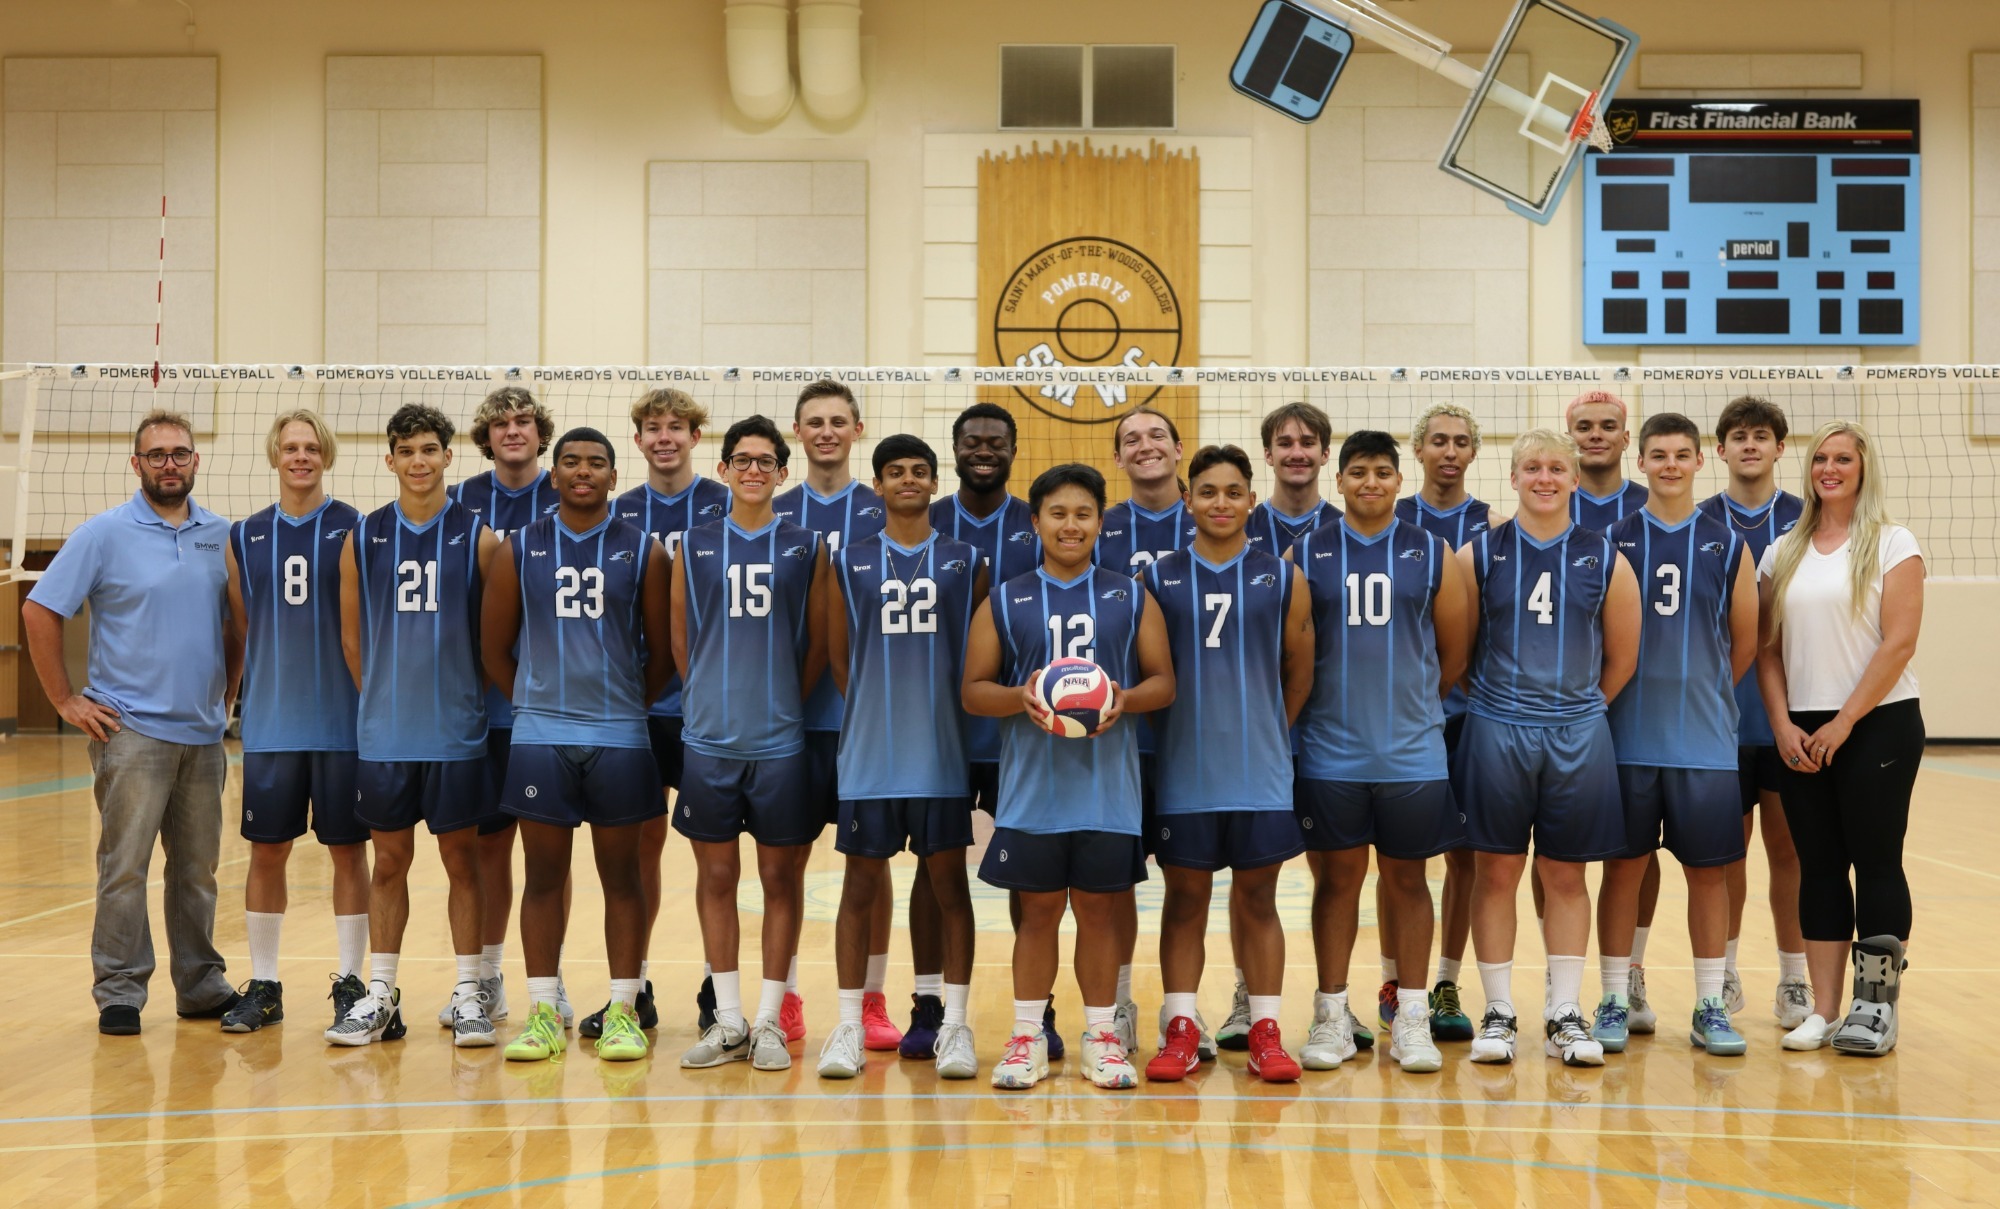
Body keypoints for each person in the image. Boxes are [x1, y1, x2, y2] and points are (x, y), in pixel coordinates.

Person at [24, 409, 240, 1035]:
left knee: (197, 870)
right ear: (136, 464)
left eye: (179, 453)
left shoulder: (219, 535)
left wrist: (227, 692)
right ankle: (119, 990)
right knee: (125, 867)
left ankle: (200, 985)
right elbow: (40, 612)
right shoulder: (103, 534)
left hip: (202, 737)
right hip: (131, 734)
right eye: (156, 455)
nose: (168, 464)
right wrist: (66, 702)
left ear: (196, 461)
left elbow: (235, 627)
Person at [964, 463, 1174, 1091]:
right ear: (1036, 523)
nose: (1071, 524)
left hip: (1108, 793)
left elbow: (1163, 682)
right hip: (1032, 791)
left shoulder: (1130, 594)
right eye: (1057, 513)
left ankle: (1103, 1038)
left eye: (1083, 514)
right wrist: (1021, 697)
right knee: (1037, 915)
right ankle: (1027, 1036)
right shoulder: (1005, 597)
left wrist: (1123, 701)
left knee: (1100, 914)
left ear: (1101, 523)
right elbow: (973, 691)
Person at [483, 428, 673, 1064]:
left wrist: (623, 707)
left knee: (622, 877)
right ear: (554, 474)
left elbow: (663, 653)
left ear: (615, 477)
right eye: (571, 462)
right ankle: (542, 1011)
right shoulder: (518, 548)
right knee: (543, 876)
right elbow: (493, 648)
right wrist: (538, 701)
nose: (583, 471)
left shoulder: (644, 552)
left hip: (620, 737)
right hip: (541, 737)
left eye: (596, 463)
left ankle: (623, 1011)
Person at [1454, 428, 1639, 1067]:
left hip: (1577, 732)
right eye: (1532, 467)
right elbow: (1458, 652)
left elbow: (1623, 656)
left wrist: (1577, 709)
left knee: (1565, 873)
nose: (1544, 478)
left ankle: (1565, 1010)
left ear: (1573, 477)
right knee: (1496, 871)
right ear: (1512, 478)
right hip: (1496, 727)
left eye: (1557, 467)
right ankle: (1499, 1012)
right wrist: (1503, 706)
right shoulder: (1477, 555)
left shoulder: (1605, 555)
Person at [1292, 431, 1469, 1074]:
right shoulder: (1307, 551)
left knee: (1408, 880)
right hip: (1330, 753)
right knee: (1336, 882)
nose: (1371, 482)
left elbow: (1454, 651)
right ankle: (1332, 1016)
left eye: (1383, 472)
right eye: (1359, 472)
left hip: (1412, 753)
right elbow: (1293, 652)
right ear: (1338, 482)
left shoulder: (1432, 550)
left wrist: (1417, 705)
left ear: (1400, 481)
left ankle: (1413, 1016)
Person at [330, 404, 501, 1048]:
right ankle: (379, 995)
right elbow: (352, 640)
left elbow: (495, 638)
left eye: (431, 449)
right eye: (407, 451)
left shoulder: (480, 536)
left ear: (449, 456)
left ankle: (468, 993)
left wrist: (458, 695)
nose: (420, 461)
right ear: (391, 460)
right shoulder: (364, 535)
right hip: (386, 736)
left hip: (455, 733)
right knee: (389, 863)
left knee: (463, 862)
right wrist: (384, 702)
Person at [817, 435, 986, 1080]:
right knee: (860, 885)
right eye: (895, 472)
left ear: (934, 483)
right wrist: (874, 712)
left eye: (919, 471)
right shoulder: (850, 559)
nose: (908, 480)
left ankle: (954, 1024)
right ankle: (848, 1026)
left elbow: (976, 655)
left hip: (942, 754)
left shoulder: (965, 559)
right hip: (870, 754)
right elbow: (839, 658)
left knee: (947, 885)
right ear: (878, 485)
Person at [1142, 444, 1311, 1084]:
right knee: (1185, 898)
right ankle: (1181, 1025)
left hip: (1260, 770)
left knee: (1259, 898)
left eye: (1233, 491)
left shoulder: (1283, 576)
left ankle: (1265, 1028)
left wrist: (1266, 732)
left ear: (1250, 500)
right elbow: (1148, 673)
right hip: (1185, 769)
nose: (1220, 503)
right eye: (1207, 491)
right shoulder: (1157, 578)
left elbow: (1300, 673)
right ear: (1188, 501)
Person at [1757, 421, 1924, 1056]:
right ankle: (1824, 1011)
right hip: (1802, 727)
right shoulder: (1784, 549)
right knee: (1819, 869)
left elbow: (1899, 642)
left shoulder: (1892, 543)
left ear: (1863, 468)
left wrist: (1846, 720)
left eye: (1843, 459)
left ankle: (1874, 1009)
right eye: (1821, 458)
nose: (1830, 468)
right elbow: (1767, 650)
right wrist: (1781, 724)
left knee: (1877, 862)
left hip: (1878, 720)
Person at [1595, 413, 1759, 1058]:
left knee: (1710, 875)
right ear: (1640, 464)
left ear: (1700, 462)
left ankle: (1711, 1004)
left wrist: (1705, 691)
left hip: (1705, 743)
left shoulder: (1727, 543)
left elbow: (1744, 642)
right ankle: (1614, 994)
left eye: (1681, 454)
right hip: (1627, 739)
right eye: (1657, 454)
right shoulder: (1609, 538)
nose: (1668, 464)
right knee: (1623, 871)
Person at [673, 416, 830, 1073]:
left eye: (767, 461)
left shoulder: (805, 545)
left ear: (783, 473)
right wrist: (711, 696)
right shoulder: (695, 542)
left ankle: (770, 1016)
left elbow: (819, 643)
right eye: (743, 459)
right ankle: (728, 1017)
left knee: (778, 878)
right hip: (709, 740)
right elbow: (682, 639)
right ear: (724, 469)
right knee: (714, 875)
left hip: (780, 742)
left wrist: (778, 702)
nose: (754, 470)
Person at [219, 410, 369, 1034]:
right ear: (274, 455)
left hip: (342, 726)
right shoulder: (244, 535)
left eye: (311, 447)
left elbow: (363, 627)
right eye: (290, 447)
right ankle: (266, 982)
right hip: (274, 727)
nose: (300, 457)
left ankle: (352, 981)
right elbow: (245, 625)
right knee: (267, 851)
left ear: (326, 455)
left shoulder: (357, 528)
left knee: (347, 853)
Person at [598, 387, 732, 1040]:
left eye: (676, 427)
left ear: (695, 437)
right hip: (637, 704)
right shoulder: (617, 511)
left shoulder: (728, 504)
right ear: (639, 440)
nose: (665, 437)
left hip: (708, 705)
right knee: (637, 850)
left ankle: (717, 986)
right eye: (653, 427)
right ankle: (635, 987)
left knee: (714, 854)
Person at [775, 380, 899, 1054]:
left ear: (857, 429)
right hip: (790, 723)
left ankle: (872, 1001)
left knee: (870, 867)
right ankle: (787, 995)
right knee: (784, 865)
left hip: (866, 724)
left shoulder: (887, 511)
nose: (826, 431)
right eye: (813, 422)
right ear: (798, 432)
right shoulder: (774, 509)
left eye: (837, 421)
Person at [930, 402, 1055, 1047]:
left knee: (1028, 875)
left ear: (1013, 450)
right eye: (973, 442)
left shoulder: (1037, 525)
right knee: (935, 870)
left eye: (996, 443)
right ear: (955, 450)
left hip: (1021, 732)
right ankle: (935, 1008)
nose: (984, 451)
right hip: (941, 730)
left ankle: (1040, 1010)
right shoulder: (925, 519)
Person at [446, 386, 563, 1030]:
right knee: (488, 849)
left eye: (523, 421)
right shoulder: (461, 499)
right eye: (500, 423)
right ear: (485, 436)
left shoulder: (568, 490)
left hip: (554, 703)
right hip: (484, 703)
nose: (512, 431)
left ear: (539, 431)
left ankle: (554, 980)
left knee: (551, 855)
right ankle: (486, 979)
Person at [1697, 396, 1810, 1028]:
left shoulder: (1805, 519)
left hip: (1789, 718)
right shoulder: (1701, 520)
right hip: (1718, 720)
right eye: (1737, 437)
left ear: (1778, 448)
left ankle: (1793, 979)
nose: (1748, 446)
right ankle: (1729, 970)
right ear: (1720, 450)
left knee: (1789, 853)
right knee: (1725, 856)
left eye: (1760, 437)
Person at [1387, 403, 1490, 1045]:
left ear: (1474, 453)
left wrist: (1448, 687)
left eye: (1460, 442)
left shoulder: (1493, 525)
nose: (1449, 451)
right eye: (1437, 442)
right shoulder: (1388, 519)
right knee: (1397, 863)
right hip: (1400, 724)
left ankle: (1446, 979)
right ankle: (1395, 981)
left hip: (1468, 717)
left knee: (1465, 858)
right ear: (1417, 450)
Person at [1559, 388, 1660, 1030]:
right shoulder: (1547, 500)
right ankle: (1560, 981)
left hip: (1633, 702)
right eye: (1585, 427)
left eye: (1609, 427)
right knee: (1558, 853)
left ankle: (1630, 978)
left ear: (1627, 440)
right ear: (1570, 438)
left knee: (1637, 852)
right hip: (1558, 705)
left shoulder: (1656, 508)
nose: (1597, 435)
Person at [1095, 405, 1195, 1057]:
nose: (1146, 445)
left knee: (1194, 879)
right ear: (1119, 458)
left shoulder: (1213, 515)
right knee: (1120, 879)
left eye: (1157, 434)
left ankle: (1190, 1012)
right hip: (1121, 736)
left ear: (1179, 448)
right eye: (1132, 438)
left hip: (1195, 736)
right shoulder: (1099, 529)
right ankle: (1123, 1003)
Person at [1246, 402, 1342, 558]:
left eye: (1307, 443)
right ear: (1268, 455)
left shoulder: (1344, 529)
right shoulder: (1242, 529)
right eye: (1285, 444)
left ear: (1325, 454)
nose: (1297, 454)